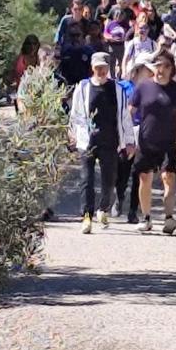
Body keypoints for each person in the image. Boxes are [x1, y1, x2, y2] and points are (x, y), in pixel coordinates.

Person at [68, 52, 136, 234]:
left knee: (109, 181)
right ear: (92, 68)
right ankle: (86, 216)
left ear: (109, 68)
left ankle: (103, 208)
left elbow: (125, 117)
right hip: (87, 142)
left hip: (110, 141)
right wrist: (73, 134)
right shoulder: (83, 87)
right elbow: (75, 114)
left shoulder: (118, 90)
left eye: (104, 68)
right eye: (98, 67)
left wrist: (130, 141)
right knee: (86, 180)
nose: (101, 71)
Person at [128, 52, 176, 234]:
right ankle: (146, 218)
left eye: (166, 66)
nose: (162, 69)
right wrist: (127, 137)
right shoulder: (143, 87)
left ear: (172, 69)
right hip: (146, 141)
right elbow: (129, 112)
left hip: (168, 141)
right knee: (144, 178)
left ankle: (169, 218)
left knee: (168, 178)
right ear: (153, 68)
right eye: (158, 65)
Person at [114, 54, 156, 224]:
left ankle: (133, 210)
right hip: (126, 132)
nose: (151, 73)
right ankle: (119, 197)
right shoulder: (123, 87)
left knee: (140, 173)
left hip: (145, 134)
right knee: (123, 171)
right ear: (139, 69)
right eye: (148, 69)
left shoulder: (153, 89)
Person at [57, 20, 93, 86]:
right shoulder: (63, 51)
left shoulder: (89, 51)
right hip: (67, 86)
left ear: (82, 35)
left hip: (84, 85)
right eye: (72, 35)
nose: (75, 38)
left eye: (78, 35)